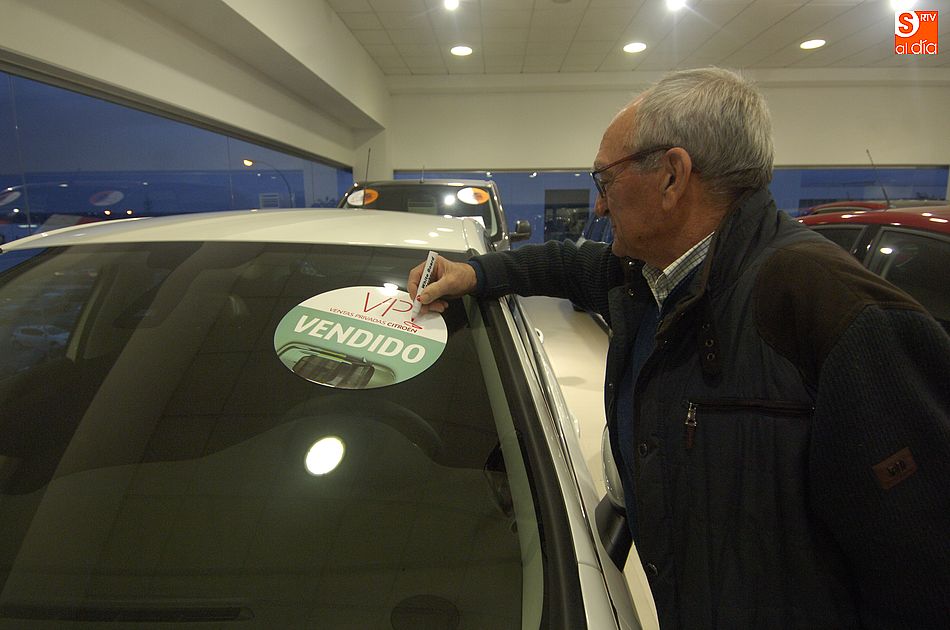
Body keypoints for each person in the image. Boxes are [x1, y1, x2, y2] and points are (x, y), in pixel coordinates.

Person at [408, 67, 950, 629]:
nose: (598, 206)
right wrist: (474, 272)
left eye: (605, 180)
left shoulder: (834, 313)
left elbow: (925, 577)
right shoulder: (651, 277)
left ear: (671, 176)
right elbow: (566, 263)